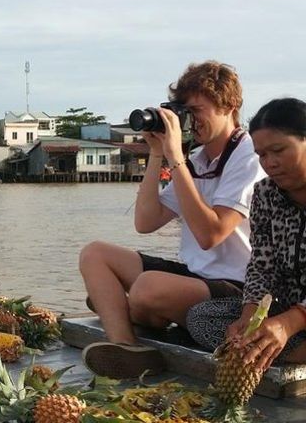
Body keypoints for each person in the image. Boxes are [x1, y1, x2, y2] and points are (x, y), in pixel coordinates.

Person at [78, 60, 266, 379]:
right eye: (185, 111)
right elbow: (146, 222)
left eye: (197, 110)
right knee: (95, 254)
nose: (190, 120)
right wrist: (156, 154)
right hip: (196, 276)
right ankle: (126, 346)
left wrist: (176, 156)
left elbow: (212, 234)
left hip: (238, 287)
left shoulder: (249, 156)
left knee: (146, 288)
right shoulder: (197, 159)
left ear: (230, 106)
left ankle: (133, 309)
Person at [186, 98, 306, 370]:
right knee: (202, 319)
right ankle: (270, 346)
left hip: (296, 319)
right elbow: (261, 266)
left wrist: (290, 323)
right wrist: (250, 316)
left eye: (278, 150)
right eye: (262, 155)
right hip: (285, 313)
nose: (270, 163)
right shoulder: (265, 193)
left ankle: (275, 346)